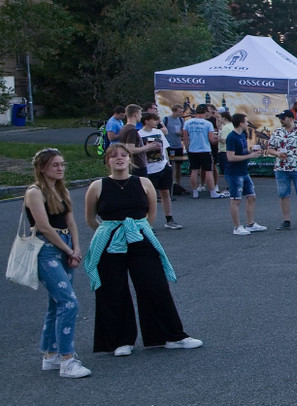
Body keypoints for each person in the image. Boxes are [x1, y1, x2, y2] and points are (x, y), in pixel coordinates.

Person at [82, 144, 203, 357]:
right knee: (113, 289)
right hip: (110, 240)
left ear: (130, 159)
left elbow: (151, 215)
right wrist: (110, 231)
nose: (119, 158)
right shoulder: (97, 186)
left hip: (139, 235)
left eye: (123, 155)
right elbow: (91, 219)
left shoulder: (143, 182)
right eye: (113, 156)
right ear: (107, 161)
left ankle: (170, 336)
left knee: (155, 285)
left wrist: (134, 230)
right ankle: (120, 340)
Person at [26, 149, 91, 378]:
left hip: (65, 245)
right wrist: (67, 249)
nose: (60, 168)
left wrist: (76, 248)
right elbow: (44, 227)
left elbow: (71, 222)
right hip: (47, 250)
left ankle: (51, 354)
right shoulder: (34, 192)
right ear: (42, 168)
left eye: (62, 164)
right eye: (55, 165)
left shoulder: (62, 190)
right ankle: (67, 359)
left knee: (56, 304)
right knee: (68, 302)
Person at [129, 112, 180, 230]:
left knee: (165, 192)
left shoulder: (159, 132)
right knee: (148, 197)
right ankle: (147, 222)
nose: (157, 122)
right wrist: (148, 148)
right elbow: (135, 151)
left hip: (162, 165)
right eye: (154, 120)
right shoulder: (139, 134)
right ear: (146, 121)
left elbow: (164, 149)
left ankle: (169, 219)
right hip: (149, 168)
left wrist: (167, 163)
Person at [267, 109, 297, 230]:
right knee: (283, 194)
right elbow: (270, 148)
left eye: (283, 118)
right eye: (280, 118)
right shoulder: (277, 132)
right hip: (281, 167)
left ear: (290, 118)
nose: (281, 120)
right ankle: (286, 221)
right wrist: (277, 153)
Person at [223, 114, 267, 236]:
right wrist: (249, 156)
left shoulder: (242, 135)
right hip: (234, 173)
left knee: (251, 196)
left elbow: (242, 151)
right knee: (236, 199)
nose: (247, 124)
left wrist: (251, 152)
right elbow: (230, 157)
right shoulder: (231, 137)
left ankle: (250, 224)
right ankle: (237, 227)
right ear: (241, 123)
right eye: (246, 122)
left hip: (243, 171)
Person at [181, 104, 218, 199]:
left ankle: (195, 192)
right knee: (208, 171)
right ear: (205, 112)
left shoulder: (188, 122)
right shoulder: (208, 124)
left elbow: (185, 137)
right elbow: (211, 139)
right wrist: (217, 139)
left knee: (194, 170)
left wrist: (187, 147)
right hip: (205, 149)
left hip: (193, 149)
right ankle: (212, 192)